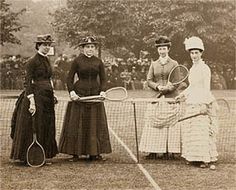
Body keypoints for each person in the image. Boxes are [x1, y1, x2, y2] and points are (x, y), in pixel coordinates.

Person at [59, 36, 112, 161]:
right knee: (77, 123)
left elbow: (104, 79)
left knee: (94, 123)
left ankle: (94, 153)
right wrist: (72, 92)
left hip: (95, 95)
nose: (90, 49)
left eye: (92, 47)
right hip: (79, 95)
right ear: (82, 48)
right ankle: (75, 153)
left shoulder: (98, 62)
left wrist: (103, 91)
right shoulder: (77, 61)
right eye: (87, 47)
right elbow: (69, 78)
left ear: (95, 48)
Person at [10, 34, 58, 165]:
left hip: (46, 97)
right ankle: (28, 157)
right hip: (35, 97)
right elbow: (28, 82)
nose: (47, 47)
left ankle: (42, 156)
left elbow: (48, 79)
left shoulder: (47, 60)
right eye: (44, 45)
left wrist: (52, 94)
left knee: (45, 125)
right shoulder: (32, 61)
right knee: (33, 126)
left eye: (49, 45)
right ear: (38, 46)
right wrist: (32, 101)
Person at [176, 36, 218, 169]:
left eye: (196, 53)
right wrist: (181, 95)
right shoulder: (192, 69)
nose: (194, 55)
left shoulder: (205, 68)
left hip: (201, 101)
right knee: (191, 130)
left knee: (202, 130)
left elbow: (206, 87)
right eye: (192, 53)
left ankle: (204, 158)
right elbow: (192, 86)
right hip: (191, 102)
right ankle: (192, 157)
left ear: (201, 53)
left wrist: (205, 104)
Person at [139, 36, 181, 159]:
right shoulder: (154, 64)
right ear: (158, 50)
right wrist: (158, 87)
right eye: (160, 49)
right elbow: (149, 80)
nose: (162, 51)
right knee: (153, 123)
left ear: (168, 49)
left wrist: (168, 88)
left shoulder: (174, 63)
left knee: (170, 125)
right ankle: (152, 150)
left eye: (164, 48)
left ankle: (170, 151)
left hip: (170, 98)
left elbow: (177, 81)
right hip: (156, 97)